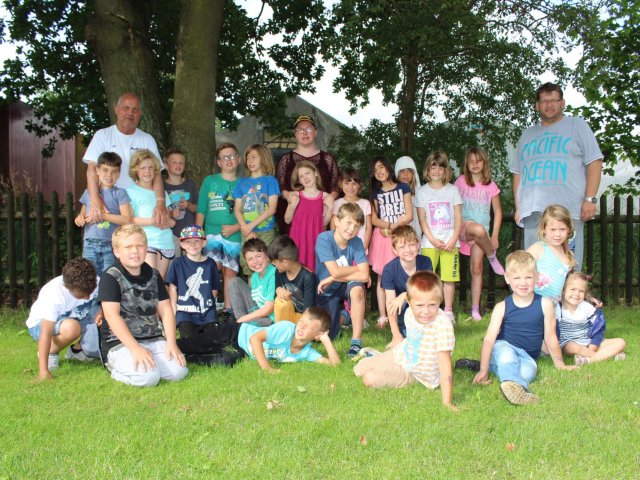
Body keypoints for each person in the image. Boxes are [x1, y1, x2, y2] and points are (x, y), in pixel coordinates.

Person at [511, 82, 603, 271]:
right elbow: (518, 172)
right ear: (537, 106)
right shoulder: (527, 134)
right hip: (533, 213)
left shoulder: (577, 125)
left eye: (554, 100)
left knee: (567, 268)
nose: (549, 104)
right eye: (544, 101)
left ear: (562, 103)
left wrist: (590, 199)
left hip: (567, 211)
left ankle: (568, 292)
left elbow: (594, 162)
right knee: (534, 268)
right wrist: (519, 206)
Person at [472, 251, 575, 405]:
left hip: (527, 356)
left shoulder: (545, 304)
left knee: (528, 373)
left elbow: (550, 337)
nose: (523, 283)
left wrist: (560, 365)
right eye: (517, 278)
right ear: (507, 278)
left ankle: (497, 371)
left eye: (528, 277)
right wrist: (483, 370)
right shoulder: (502, 307)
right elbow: (488, 340)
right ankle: (521, 390)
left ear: (537, 277)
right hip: (503, 347)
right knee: (507, 356)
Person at [98, 224, 188, 387]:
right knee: (148, 378)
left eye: (139, 246)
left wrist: (171, 343)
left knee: (179, 372)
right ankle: (113, 367)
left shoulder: (154, 275)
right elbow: (111, 316)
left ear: (146, 249)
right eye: (128, 247)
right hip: (120, 343)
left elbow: (166, 310)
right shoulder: (110, 277)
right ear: (117, 251)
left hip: (152, 338)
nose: (135, 251)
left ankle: (151, 361)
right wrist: (135, 349)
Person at [353, 271, 456, 411]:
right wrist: (402, 296)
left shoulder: (442, 326)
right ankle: (379, 359)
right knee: (359, 368)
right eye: (420, 305)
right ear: (409, 301)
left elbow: (445, 366)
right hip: (400, 353)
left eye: (432, 305)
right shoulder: (409, 312)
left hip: (414, 373)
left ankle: (383, 366)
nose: (426, 311)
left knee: (368, 378)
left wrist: (447, 402)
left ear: (440, 300)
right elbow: (410, 296)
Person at [83, 92, 169, 227]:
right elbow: (92, 170)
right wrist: (95, 200)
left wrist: (160, 202)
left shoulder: (147, 139)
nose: (130, 113)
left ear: (140, 113)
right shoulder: (102, 136)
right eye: (126, 108)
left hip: (137, 207)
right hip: (107, 203)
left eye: (135, 110)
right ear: (116, 109)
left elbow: (157, 173)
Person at [26, 258, 99, 380]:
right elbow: (46, 333)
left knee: (107, 312)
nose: (88, 297)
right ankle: (51, 352)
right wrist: (43, 371)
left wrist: (101, 312)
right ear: (67, 287)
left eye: (91, 292)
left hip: (75, 317)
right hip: (40, 325)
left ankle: (78, 350)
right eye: (82, 295)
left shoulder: (93, 281)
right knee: (72, 328)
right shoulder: (53, 294)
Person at [453, 147, 505, 320]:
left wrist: (494, 236)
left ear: (484, 163)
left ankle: (475, 309)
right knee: (479, 229)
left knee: (476, 268)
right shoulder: (461, 182)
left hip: (482, 238)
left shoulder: (491, 185)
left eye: (478, 161)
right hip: (464, 228)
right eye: (471, 161)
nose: (475, 164)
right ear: (466, 164)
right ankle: (492, 256)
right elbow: (452, 203)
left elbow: (498, 212)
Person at [165, 225, 228, 363]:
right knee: (190, 339)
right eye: (188, 241)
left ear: (204, 242)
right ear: (182, 244)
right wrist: (173, 314)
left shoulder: (210, 264)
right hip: (185, 313)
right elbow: (173, 290)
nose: (193, 245)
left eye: (197, 241)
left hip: (207, 313)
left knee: (216, 343)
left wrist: (207, 306)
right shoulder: (177, 263)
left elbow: (214, 289)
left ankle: (195, 352)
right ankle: (192, 350)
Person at [315, 203, 369, 356]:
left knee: (358, 290)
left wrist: (333, 277)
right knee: (328, 334)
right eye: (349, 223)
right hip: (327, 290)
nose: (352, 229)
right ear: (337, 221)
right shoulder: (324, 239)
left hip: (345, 284)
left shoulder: (356, 242)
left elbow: (365, 276)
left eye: (356, 226)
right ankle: (346, 316)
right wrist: (354, 269)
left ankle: (356, 342)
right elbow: (336, 271)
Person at [195, 143, 242, 316]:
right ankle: (208, 307)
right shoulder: (210, 181)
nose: (229, 160)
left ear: (238, 159)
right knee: (211, 268)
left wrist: (236, 227)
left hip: (234, 234)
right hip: (211, 234)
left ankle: (229, 310)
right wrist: (198, 234)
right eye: (224, 157)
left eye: (232, 156)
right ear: (219, 162)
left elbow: (249, 214)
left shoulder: (244, 183)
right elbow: (201, 209)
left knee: (230, 271)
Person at [416, 151, 462, 324]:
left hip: (450, 242)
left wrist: (453, 239)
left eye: (440, 167)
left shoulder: (453, 190)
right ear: (427, 169)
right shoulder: (422, 192)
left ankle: (448, 311)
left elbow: (458, 217)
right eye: (433, 167)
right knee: (427, 278)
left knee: (449, 278)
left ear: (446, 170)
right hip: (430, 242)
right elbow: (422, 219)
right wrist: (433, 240)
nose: (436, 171)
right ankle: (427, 309)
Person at [368, 156, 413, 329]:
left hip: (401, 235)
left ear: (388, 167)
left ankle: (407, 309)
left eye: (381, 167)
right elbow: (374, 219)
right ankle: (383, 315)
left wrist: (395, 227)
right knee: (383, 276)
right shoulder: (376, 192)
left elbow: (409, 214)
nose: (379, 172)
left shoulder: (403, 187)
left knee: (406, 272)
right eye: (375, 170)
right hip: (383, 238)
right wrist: (388, 226)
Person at [275, 115, 340, 234]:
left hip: (320, 218)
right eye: (300, 130)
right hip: (294, 221)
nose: (304, 133)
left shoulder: (328, 159)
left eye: (309, 129)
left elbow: (336, 185)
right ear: (295, 134)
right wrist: (289, 196)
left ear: (315, 132)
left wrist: (328, 200)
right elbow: (280, 186)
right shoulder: (286, 159)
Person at [75, 151, 132, 273]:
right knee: (88, 276)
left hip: (111, 244)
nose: (109, 175)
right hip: (89, 243)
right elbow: (82, 214)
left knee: (108, 276)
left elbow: (126, 219)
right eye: (105, 170)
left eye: (114, 172)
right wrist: (79, 218)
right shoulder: (89, 192)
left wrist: (103, 216)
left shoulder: (120, 193)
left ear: (119, 174)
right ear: (97, 170)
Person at [238, 307, 340, 372]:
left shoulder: (306, 353)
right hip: (239, 333)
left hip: (244, 351)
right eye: (301, 321)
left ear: (317, 335)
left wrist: (325, 339)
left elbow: (336, 365)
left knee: (229, 360)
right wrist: (267, 368)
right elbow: (254, 339)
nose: (302, 327)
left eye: (308, 326)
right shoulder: (286, 329)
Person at [556, 271, 626, 365]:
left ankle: (588, 360)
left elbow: (598, 327)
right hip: (568, 343)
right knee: (572, 347)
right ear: (563, 290)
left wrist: (594, 344)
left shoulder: (586, 307)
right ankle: (608, 356)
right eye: (573, 289)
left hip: (588, 341)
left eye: (581, 291)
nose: (576, 293)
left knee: (621, 342)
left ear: (585, 294)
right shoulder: (558, 308)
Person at [127, 149, 176, 279]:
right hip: (145, 240)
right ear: (135, 170)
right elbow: (129, 219)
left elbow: (169, 217)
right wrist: (151, 222)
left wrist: (170, 223)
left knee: (160, 280)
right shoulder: (130, 191)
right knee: (150, 278)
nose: (147, 171)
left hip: (165, 241)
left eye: (150, 168)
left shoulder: (161, 193)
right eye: (143, 168)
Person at [382, 225, 433, 349]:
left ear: (418, 244)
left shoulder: (426, 262)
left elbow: (428, 292)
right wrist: (395, 334)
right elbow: (391, 304)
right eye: (402, 247)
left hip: (425, 308)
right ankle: (402, 332)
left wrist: (405, 295)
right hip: (404, 313)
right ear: (394, 250)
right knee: (410, 339)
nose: (408, 250)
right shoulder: (389, 269)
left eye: (412, 244)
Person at [233, 144, 279, 276]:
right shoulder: (241, 183)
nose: (250, 161)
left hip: (265, 231)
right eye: (248, 158)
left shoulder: (270, 181)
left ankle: (266, 290)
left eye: (254, 157)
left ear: (263, 158)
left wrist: (250, 226)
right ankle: (252, 290)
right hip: (247, 233)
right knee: (250, 267)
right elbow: (237, 209)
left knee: (266, 265)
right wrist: (246, 229)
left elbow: (272, 209)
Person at [285, 160, 334, 271]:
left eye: (307, 173)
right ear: (299, 180)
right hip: (298, 240)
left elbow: (324, 223)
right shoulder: (296, 195)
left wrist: (330, 208)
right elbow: (287, 220)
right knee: (297, 271)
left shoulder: (325, 197)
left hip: (315, 240)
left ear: (315, 173)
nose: (305, 178)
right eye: (301, 176)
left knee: (314, 271)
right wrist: (292, 206)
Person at [527, 205, 575, 305]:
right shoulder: (538, 248)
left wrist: (587, 298)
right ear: (544, 228)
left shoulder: (568, 254)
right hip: (533, 304)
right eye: (553, 229)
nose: (557, 234)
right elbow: (519, 270)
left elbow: (570, 286)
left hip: (554, 308)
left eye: (562, 229)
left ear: (569, 229)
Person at [267, 235, 318, 323]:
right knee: (280, 302)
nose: (273, 264)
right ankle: (281, 328)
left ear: (285, 262)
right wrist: (278, 289)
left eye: (274, 262)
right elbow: (276, 295)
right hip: (288, 315)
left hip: (304, 318)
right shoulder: (279, 272)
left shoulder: (308, 277)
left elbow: (308, 310)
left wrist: (301, 326)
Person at [227, 238, 275, 326]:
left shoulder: (274, 273)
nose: (255, 261)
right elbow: (256, 302)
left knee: (243, 322)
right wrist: (243, 318)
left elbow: (268, 309)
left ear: (267, 256)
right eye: (250, 259)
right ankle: (241, 322)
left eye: (258, 256)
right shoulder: (255, 276)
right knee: (235, 282)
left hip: (271, 319)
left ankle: (241, 323)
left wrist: (243, 319)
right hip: (258, 312)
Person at [163, 148, 198, 258]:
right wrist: (171, 214)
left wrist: (188, 205)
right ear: (166, 165)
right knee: (175, 263)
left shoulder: (190, 185)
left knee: (191, 262)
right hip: (171, 234)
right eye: (174, 162)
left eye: (181, 162)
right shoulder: (162, 187)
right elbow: (160, 212)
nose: (178, 165)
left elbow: (198, 209)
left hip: (189, 232)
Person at [330, 167, 372, 252]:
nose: (350, 187)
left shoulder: (366, 203)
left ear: (359, 185)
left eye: (354, 184)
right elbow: (333, 225)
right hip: (341, 247)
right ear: (341, 184)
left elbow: (368, 227)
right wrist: (336, 243)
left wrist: (365, 245)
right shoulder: (336, 203)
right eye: (347, 183)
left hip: (359, 248)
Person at [394, 155, 422, 240]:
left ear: (413, 174)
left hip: (415, 233)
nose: (406, 174)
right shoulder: (393, 194)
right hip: (398, 232)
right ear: (397, 173)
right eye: (402, 171)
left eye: (409, 171)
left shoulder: (419, 194)